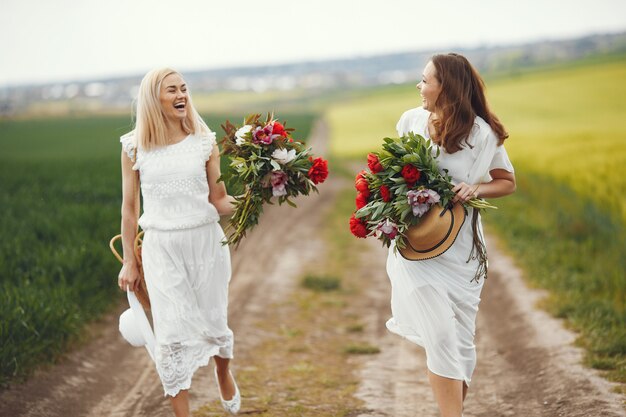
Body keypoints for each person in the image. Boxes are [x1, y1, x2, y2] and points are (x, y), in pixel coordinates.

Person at [385, 53, 516, 417]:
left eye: (425, 80)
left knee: (460, 341)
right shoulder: (410, 121)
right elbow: (393, 176)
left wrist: (476, 188)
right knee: (440, 335)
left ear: (447, 87)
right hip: (415, 248)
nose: (419, 85)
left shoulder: (482, 134)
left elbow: (506, 183)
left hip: (461, 251)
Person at [117, 68, 240, 416]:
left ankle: (222, 370)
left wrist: (252, 199)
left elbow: (219, 199)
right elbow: (129, 210)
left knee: (215, 322)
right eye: (172, 90)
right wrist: (129, 260)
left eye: (183, 88)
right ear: (154, 100)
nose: (181, 94)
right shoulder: (133, 147)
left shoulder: (204, 141)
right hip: (161, 249)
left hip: (205, 244)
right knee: (170, 337)